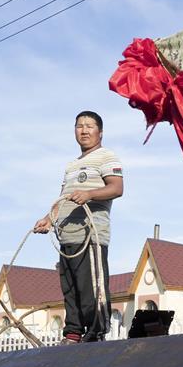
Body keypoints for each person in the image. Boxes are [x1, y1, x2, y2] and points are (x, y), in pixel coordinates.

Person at [33, 111, 123, 343]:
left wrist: (90, 194)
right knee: (70, 288)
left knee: (91, 288)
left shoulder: (106, 156)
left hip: (90, 236)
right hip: (66, 237)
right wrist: (47, 219)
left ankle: (95, 333)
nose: (84, 130)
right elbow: (62, 198)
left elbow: (116, 188)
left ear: (100, 132)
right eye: (79, 126)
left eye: (89, 126)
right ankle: (72, 333)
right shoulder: (72, 166)